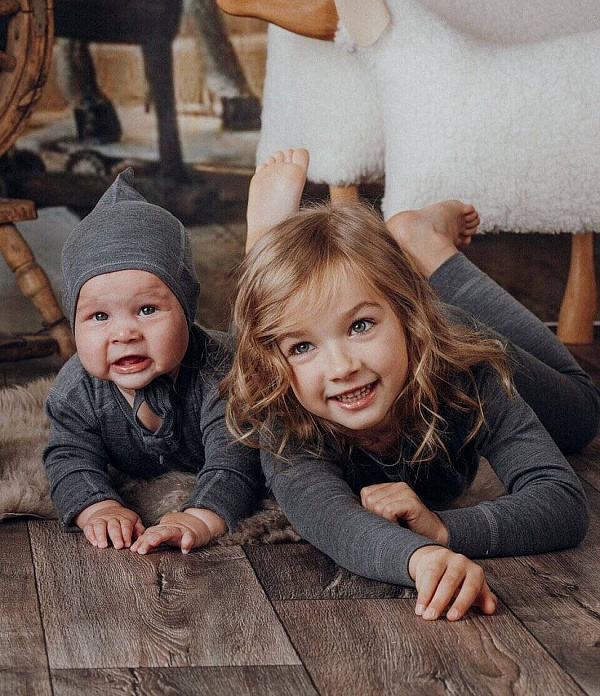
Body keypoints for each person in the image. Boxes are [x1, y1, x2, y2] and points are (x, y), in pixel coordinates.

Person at [225, 148, 599, 621]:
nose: (341, 367)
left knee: (580, 415)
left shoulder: (465, 369)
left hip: (451, 333)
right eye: (302, 346)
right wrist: (417, 558)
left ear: (408, 315)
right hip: (324, 346)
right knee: (256, 346)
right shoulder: (287, 412)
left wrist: (443, 530)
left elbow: (561, 501)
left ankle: (425, 242)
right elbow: (330, 519)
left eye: (360, 326)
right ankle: (265, 251)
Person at [44, 168, 263, 554]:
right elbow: (68, 456)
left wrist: (200, 516)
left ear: (186, 308)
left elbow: (237, 458)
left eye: (146, 310)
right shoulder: (77, 388)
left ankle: (263, 236)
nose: (124, 333)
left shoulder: (220, 374)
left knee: (258, 342)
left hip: (240, 359)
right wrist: (99, 506)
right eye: (99, 316)